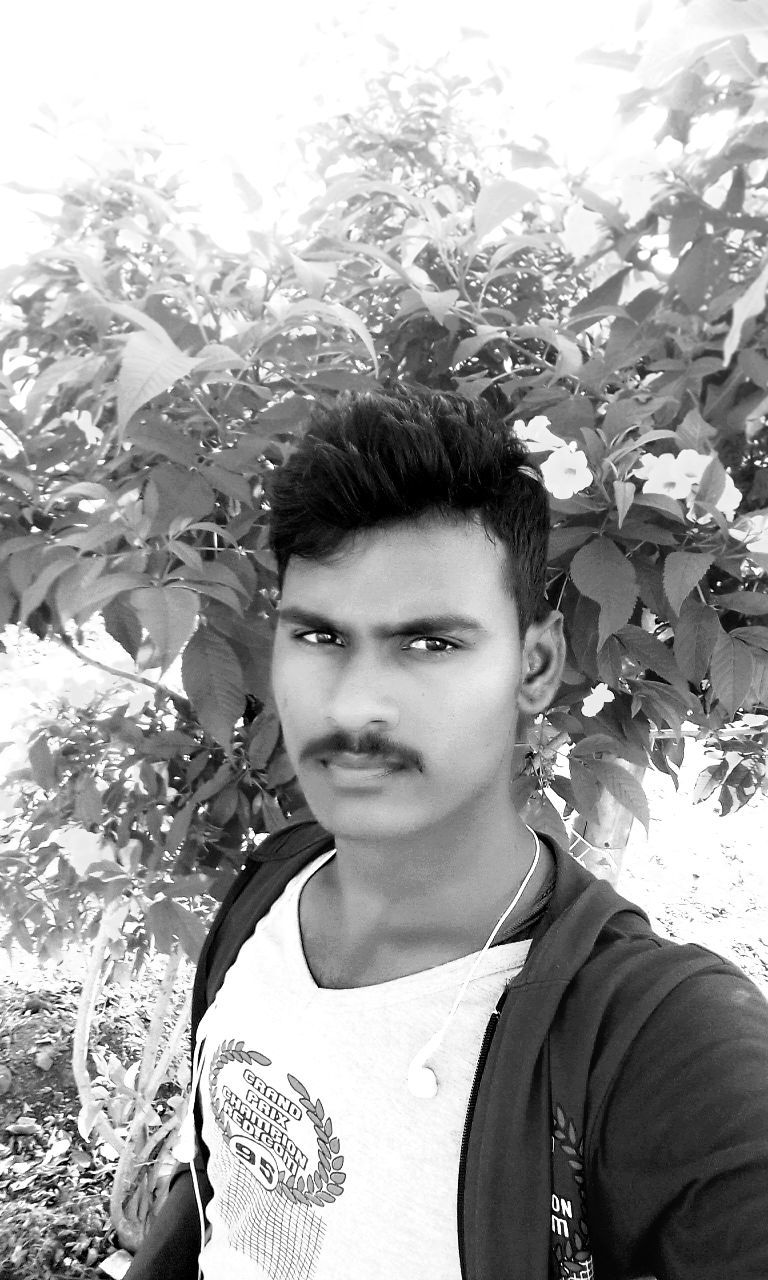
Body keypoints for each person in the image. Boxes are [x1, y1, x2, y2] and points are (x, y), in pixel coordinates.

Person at [126, 387, 768, 1280]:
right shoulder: (269, 890)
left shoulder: (655, 1043)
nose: (355, 704)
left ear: (535, 665)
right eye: (319, 637)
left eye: (429, 644)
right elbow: (225, 1190)